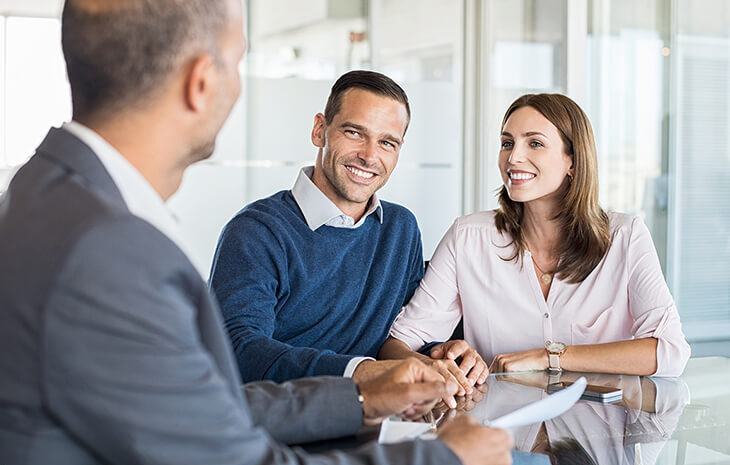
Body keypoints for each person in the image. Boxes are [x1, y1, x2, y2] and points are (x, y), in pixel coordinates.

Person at [0, 1, 515, 464]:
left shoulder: (53, 202)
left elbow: (203, 409)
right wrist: (445, 458)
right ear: (201, 81)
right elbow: (225, 450)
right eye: (238, 61)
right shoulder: (111, 249)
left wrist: (363, 398)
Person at [209, 69, 484, 394]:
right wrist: (363, 372)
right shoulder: (257, 231)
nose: (370, 156)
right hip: (283, 427)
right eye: (355, 132)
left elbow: (402, 337)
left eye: (387, 142)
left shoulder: (400, 229)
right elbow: (240, 351)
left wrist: (443, 355)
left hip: (378, 423)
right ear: (319, 130)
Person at [380, 93, 691, 378]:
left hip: (597, 433)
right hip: (499, 433)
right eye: (507, 143)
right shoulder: (467, 238)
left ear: (573, 160)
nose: (514, 158)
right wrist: (439, 368)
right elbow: (395, 346)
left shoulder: (625, 237)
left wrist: (550, 357)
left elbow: (670, 353)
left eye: (535, 143)